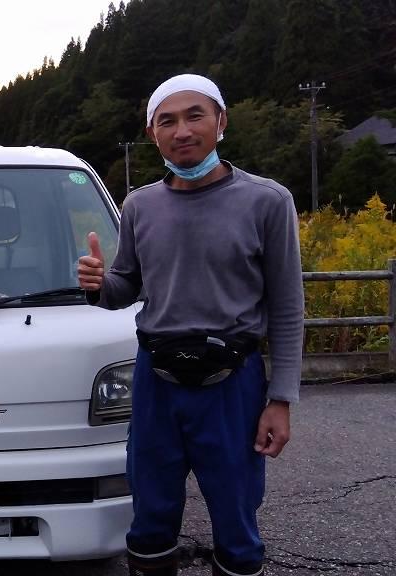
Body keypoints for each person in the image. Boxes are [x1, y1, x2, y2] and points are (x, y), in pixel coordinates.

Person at [77, 74, 304, 576]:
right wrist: (97, 285)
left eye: (194, 115)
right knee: (150, 513)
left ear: (221, 121)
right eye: (167, 121)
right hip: (156, 381)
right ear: (152, 133)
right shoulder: (140, 205)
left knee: (236, 516)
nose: (182, 131)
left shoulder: (268, 201)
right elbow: (125, 286)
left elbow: (288, 308)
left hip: (232, 382)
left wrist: (281, 400)